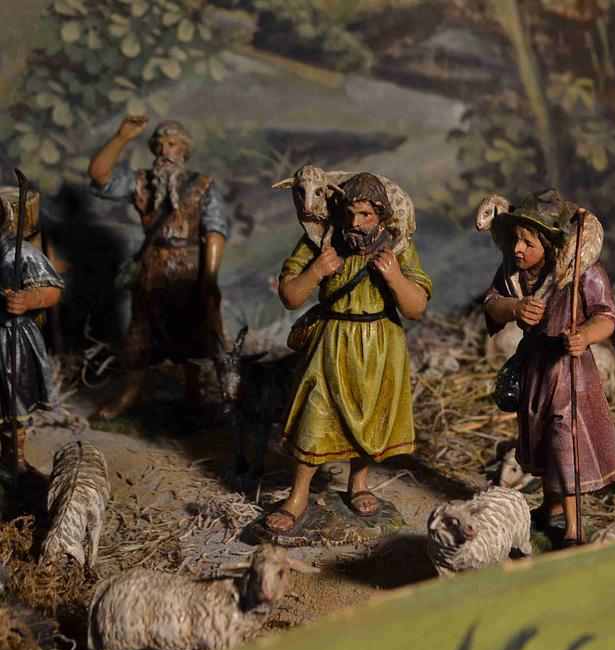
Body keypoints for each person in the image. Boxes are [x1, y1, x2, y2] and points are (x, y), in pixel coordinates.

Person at [264, 172, 431, 533]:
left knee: (369, 417)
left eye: (365, 215)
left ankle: (359, 483)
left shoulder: (399, 246)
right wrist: (316, 271)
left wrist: (394, 277)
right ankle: (298, 496)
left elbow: (416, 307)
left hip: (380, 345)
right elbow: (290, 296)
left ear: (381, 216)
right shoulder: (321, 240)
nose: (356, 223)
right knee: (314, 415)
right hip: (331, 341)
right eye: (350, 214)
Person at [484, 188, 615, 546]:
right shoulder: (513, 271)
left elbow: (607, 317)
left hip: (569, 370)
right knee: (542, 439)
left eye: (528, 243)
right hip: (535, 366)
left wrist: (585, 336)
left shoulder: (583, 272)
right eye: (516, 239)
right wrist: (514, 308)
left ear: (549, 244)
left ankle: (575, 530)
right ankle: (551, 507)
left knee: (566, 442)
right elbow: (492, 304)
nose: (518, 248)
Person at [88, 116, 229, 418]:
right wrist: (121, 137)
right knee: (140, 333)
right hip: (151, 270)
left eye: (172, 144)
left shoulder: (203, 186)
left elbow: (215, 230)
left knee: (197, 329)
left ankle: (195, 392)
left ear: (184, 149)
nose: (164, 151)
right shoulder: (142, 183)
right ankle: (132, 390)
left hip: (190, 271)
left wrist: (210, 278)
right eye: (159, 145)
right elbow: (99, 175)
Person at [0, 201, 63, 477]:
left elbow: (52, 291)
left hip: (9, 341)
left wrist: (28, 299)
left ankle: (14, 459)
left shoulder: (19, 253)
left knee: (13, 404)